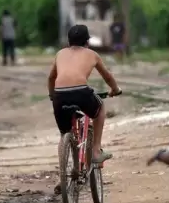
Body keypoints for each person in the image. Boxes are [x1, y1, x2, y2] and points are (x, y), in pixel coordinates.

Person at [48, 24, 122, 166]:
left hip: (59, 96)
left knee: (64, 134)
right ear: (87, 42)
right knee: (99, 108)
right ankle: (96, 151)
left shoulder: (60, 54)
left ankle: (63, 174)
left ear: (68, 42)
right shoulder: (92, 54)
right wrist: (115, 89)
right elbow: (107, 76)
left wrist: (52, 95)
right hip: (81, 91)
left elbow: (51, 78)